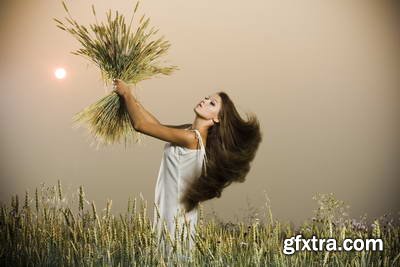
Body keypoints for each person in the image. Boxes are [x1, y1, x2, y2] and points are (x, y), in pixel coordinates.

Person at [112, 78, 262, 259]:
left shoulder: (192, 139)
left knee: (173, 258)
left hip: (177, 219)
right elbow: (156, 126)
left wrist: (127, 94)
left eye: (212, 104)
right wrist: (129, 98)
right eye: (207, 98)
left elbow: (140, 126)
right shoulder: (188, 132)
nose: (205, 101)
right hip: (168, 210)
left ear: (217, 118)